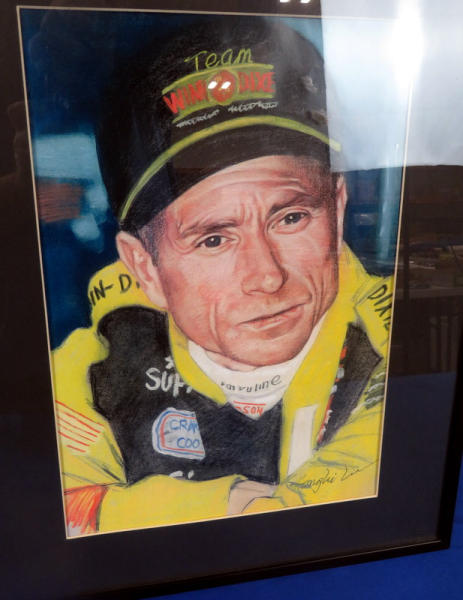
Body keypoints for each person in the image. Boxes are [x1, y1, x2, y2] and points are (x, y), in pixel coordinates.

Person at [53, 17, 392, 536]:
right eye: (214, 239)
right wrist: (229, 503)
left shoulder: (394, 342)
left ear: (338, 209)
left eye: (290, 217)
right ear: (144, 267)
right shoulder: (91, 368)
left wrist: (138, 510)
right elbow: (46, 511)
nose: (266, 277)